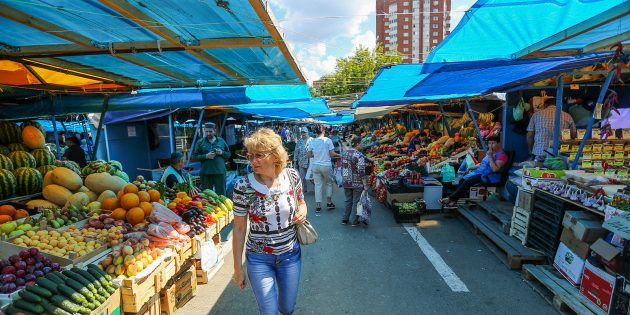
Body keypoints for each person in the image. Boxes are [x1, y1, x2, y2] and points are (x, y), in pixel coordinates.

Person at [231, 128, 307, 315]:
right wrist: (237, 268)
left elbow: (302, 202)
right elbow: (239, 229)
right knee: (269, 312)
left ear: (274, 155)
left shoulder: (292, 176)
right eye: (250, 156)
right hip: (259, 259)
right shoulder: (243, 186)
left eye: (258, 155)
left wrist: (302, 212)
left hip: (290, 255)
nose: (253, 161)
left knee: (287, 309)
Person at [439, 136, 508, 207]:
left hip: (490, 176)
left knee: (468, 181)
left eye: (493, 143)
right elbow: (482, 163)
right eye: (489, 143)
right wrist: (470, 168)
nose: (490, 145)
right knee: (462, 179)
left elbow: (495, 169)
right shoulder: (490, 153)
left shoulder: (501, 155)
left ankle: (450, 199)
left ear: (498, 143)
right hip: (480, 173)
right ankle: (454, 200)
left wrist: (490, 157)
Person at [527, 98, 576, 162]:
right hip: (559, 154)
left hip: (540, 153)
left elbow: (529, 136)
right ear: (560, 105)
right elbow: (574, 136)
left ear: (545, 105)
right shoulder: (567, 116)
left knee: (539, 171)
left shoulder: (536, 115)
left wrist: (530, 150)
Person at [307, 125, 341, 214]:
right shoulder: (328, 140)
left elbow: (309, 155)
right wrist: (340, 155)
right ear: (324, 132)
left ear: (315, 132)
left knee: (318, 185)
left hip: (316, 166)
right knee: (329, 183)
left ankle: (318, 206)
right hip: (326, 165)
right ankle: (329, 202)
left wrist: (317, 155)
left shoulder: (312, 142)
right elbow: (332, 154)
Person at [193, 123, 231, 195]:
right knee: (207, 195)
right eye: (206, 131)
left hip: (219, 172)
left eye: (210, 131)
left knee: (221, 194)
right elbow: (195, 156)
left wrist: (221, 153)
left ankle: (221, 206)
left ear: (214, 131)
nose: (208, 133)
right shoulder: (200, 142)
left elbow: (228, 154)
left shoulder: (221, 141)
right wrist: (206, 156)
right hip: (206, 173)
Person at [340, 136, 368, 226]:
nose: (362, 144)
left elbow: (342, 167)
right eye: (361, 143)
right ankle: (354, 221)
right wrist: (365, 184)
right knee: (356, 201)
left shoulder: (344, 153)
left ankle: (345, 219)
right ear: (357, 144)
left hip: (346, 181)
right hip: (357, 182)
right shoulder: (359, 155)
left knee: (348, 200)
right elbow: (361, 171)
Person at [293, 127, 312, 193]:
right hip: (301, 162)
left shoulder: (312, 140)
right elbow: (296, 152)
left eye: (304, 132)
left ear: (307, 133)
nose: (303, 134)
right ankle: (304, 189)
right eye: (302, 132)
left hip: (311, 162)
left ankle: (316, 188)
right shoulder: (299, 141)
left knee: (312, 177)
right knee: (302, 177)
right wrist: (295, 162)